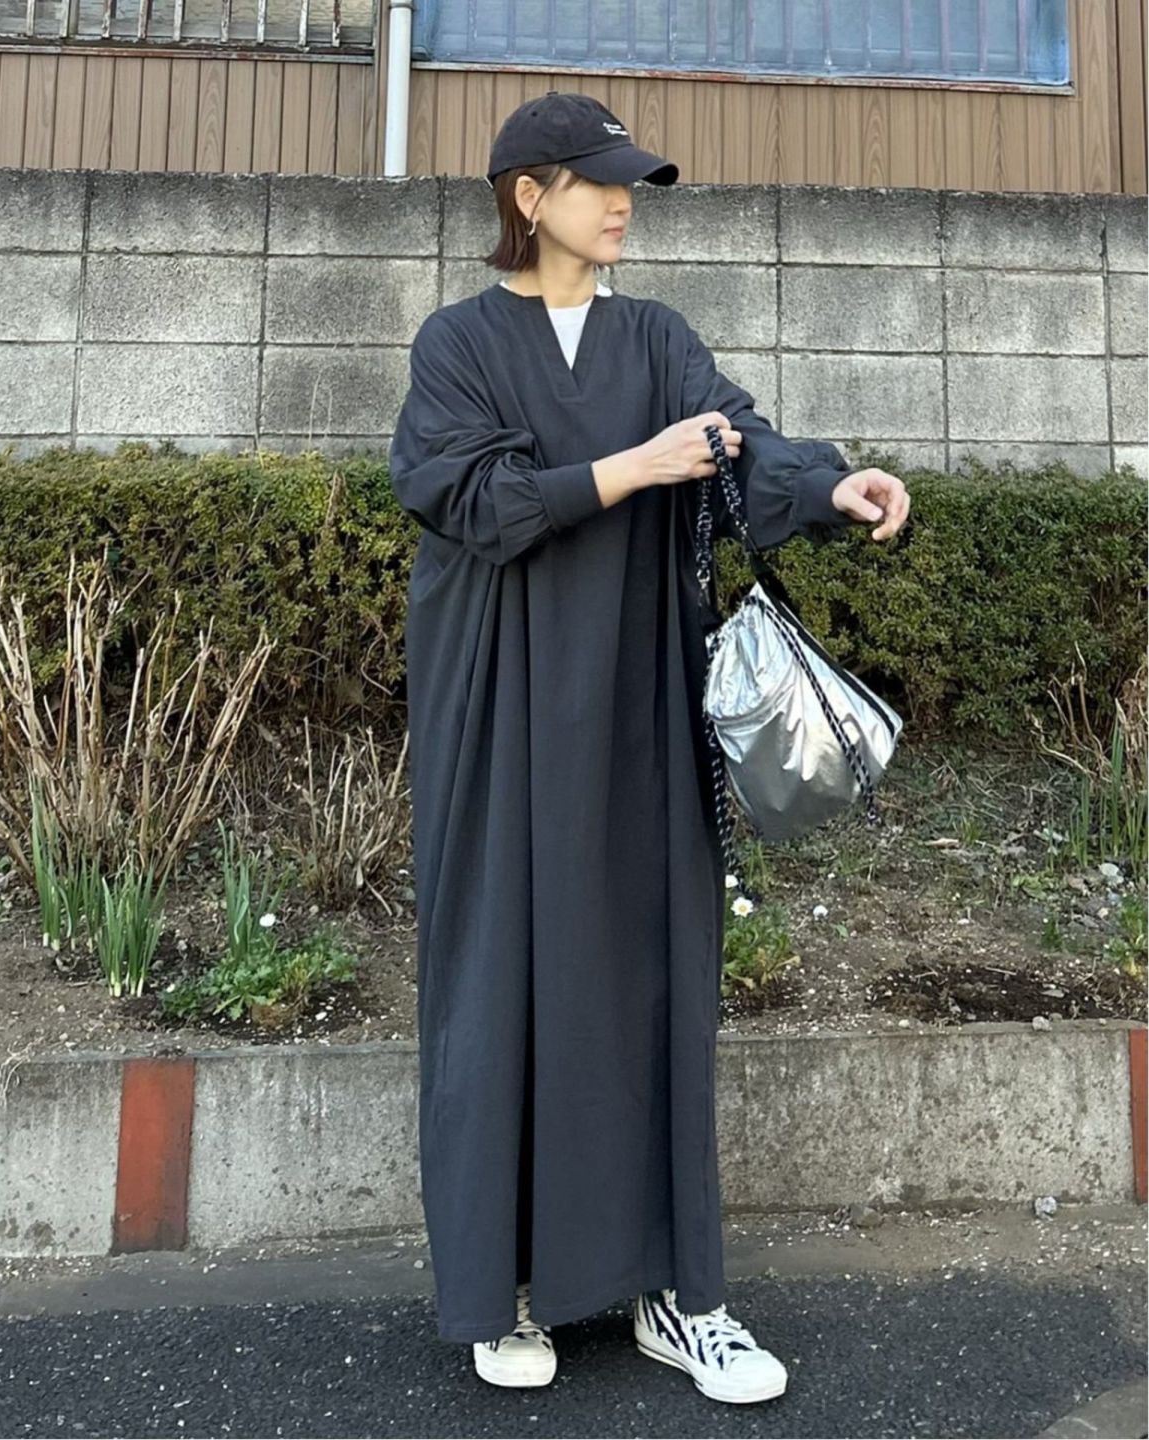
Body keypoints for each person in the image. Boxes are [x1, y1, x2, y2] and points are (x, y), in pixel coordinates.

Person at [387, 91, 910, 1405]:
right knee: (502, 977)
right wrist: (632, 468)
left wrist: (827, 486)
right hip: (500, 710)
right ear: (530, 197)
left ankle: (681, 1295)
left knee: (654, 975)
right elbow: (466, 497)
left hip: (639, 704)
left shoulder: (658, 339)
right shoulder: (458, 343)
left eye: (633, 184)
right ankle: (507, 1286)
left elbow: (736, 448)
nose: (624, 204)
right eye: (599, 182)